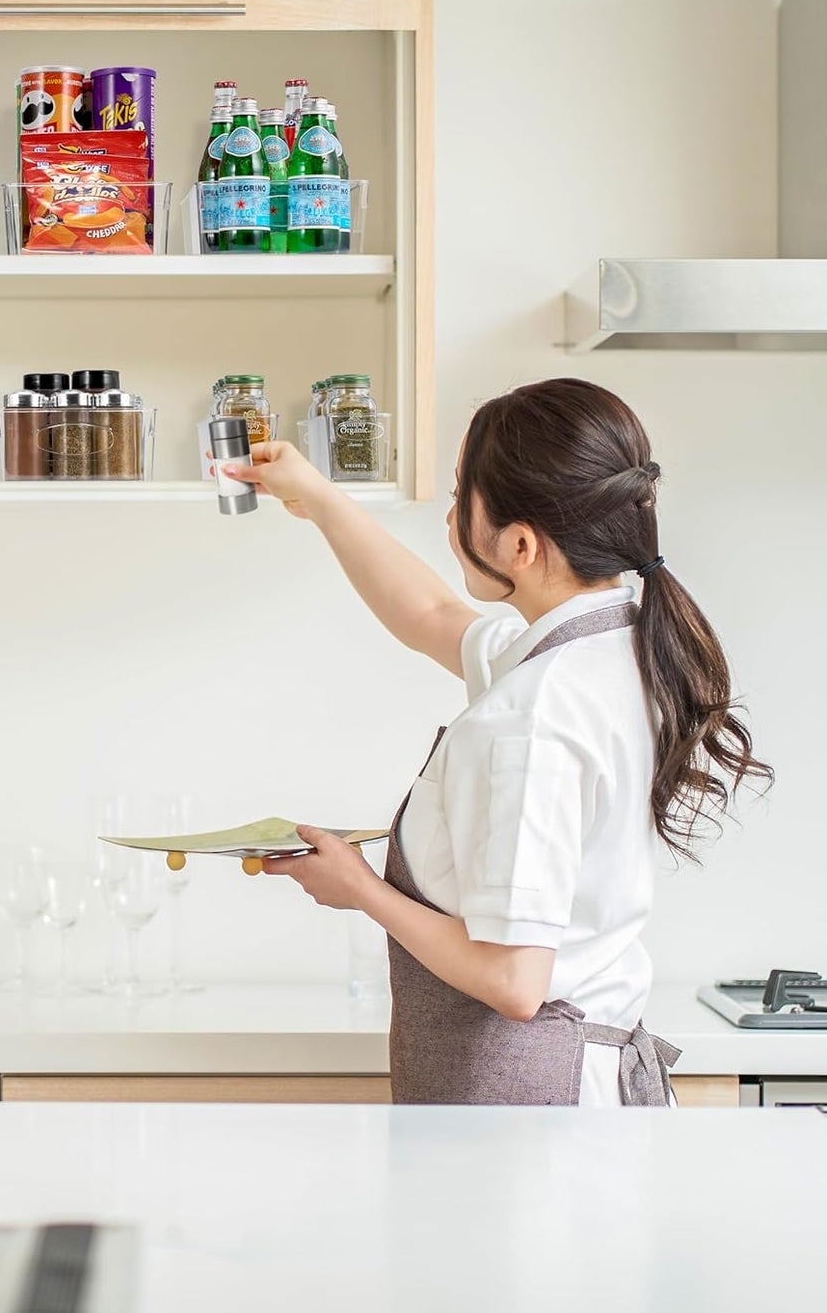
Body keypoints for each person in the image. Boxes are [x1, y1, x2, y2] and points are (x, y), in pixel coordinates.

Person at [225, 378, 771, 1106]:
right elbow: (430, 614)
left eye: (461, 496)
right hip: (578, 1088)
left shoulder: (532, 713)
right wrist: (320, 500)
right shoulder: (614, 646)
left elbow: (514, 981)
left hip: (536, 1112)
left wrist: (359, 888)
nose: (450, 517)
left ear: (518, 544)